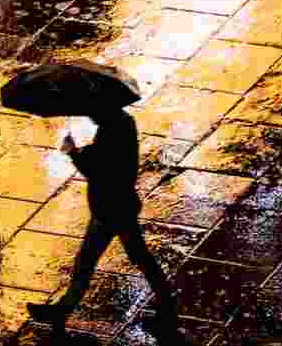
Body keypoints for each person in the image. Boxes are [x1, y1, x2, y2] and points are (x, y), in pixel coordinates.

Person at [26, 110, 182, 341]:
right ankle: (167, 309)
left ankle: (168, 310)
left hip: (111, 209)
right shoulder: (121, 124)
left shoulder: (112, 129)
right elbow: (108, 162)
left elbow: (98, 170)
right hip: (116, 205)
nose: (90, 114)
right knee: (132, 258)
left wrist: (74, 152)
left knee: (94, 262)